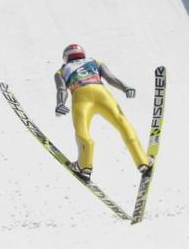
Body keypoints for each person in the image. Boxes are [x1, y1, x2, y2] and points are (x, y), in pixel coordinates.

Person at [54, 44, 151, 181]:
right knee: (122, 123)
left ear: (65, 57)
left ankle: (84, 166)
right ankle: (142, 161)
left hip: (80, 96)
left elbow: (61, 90)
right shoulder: (95, 62)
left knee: (82, 132)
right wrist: (125, 87)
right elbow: (111, 78)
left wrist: (60, 103)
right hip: (101, 93)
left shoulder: (61, 71)